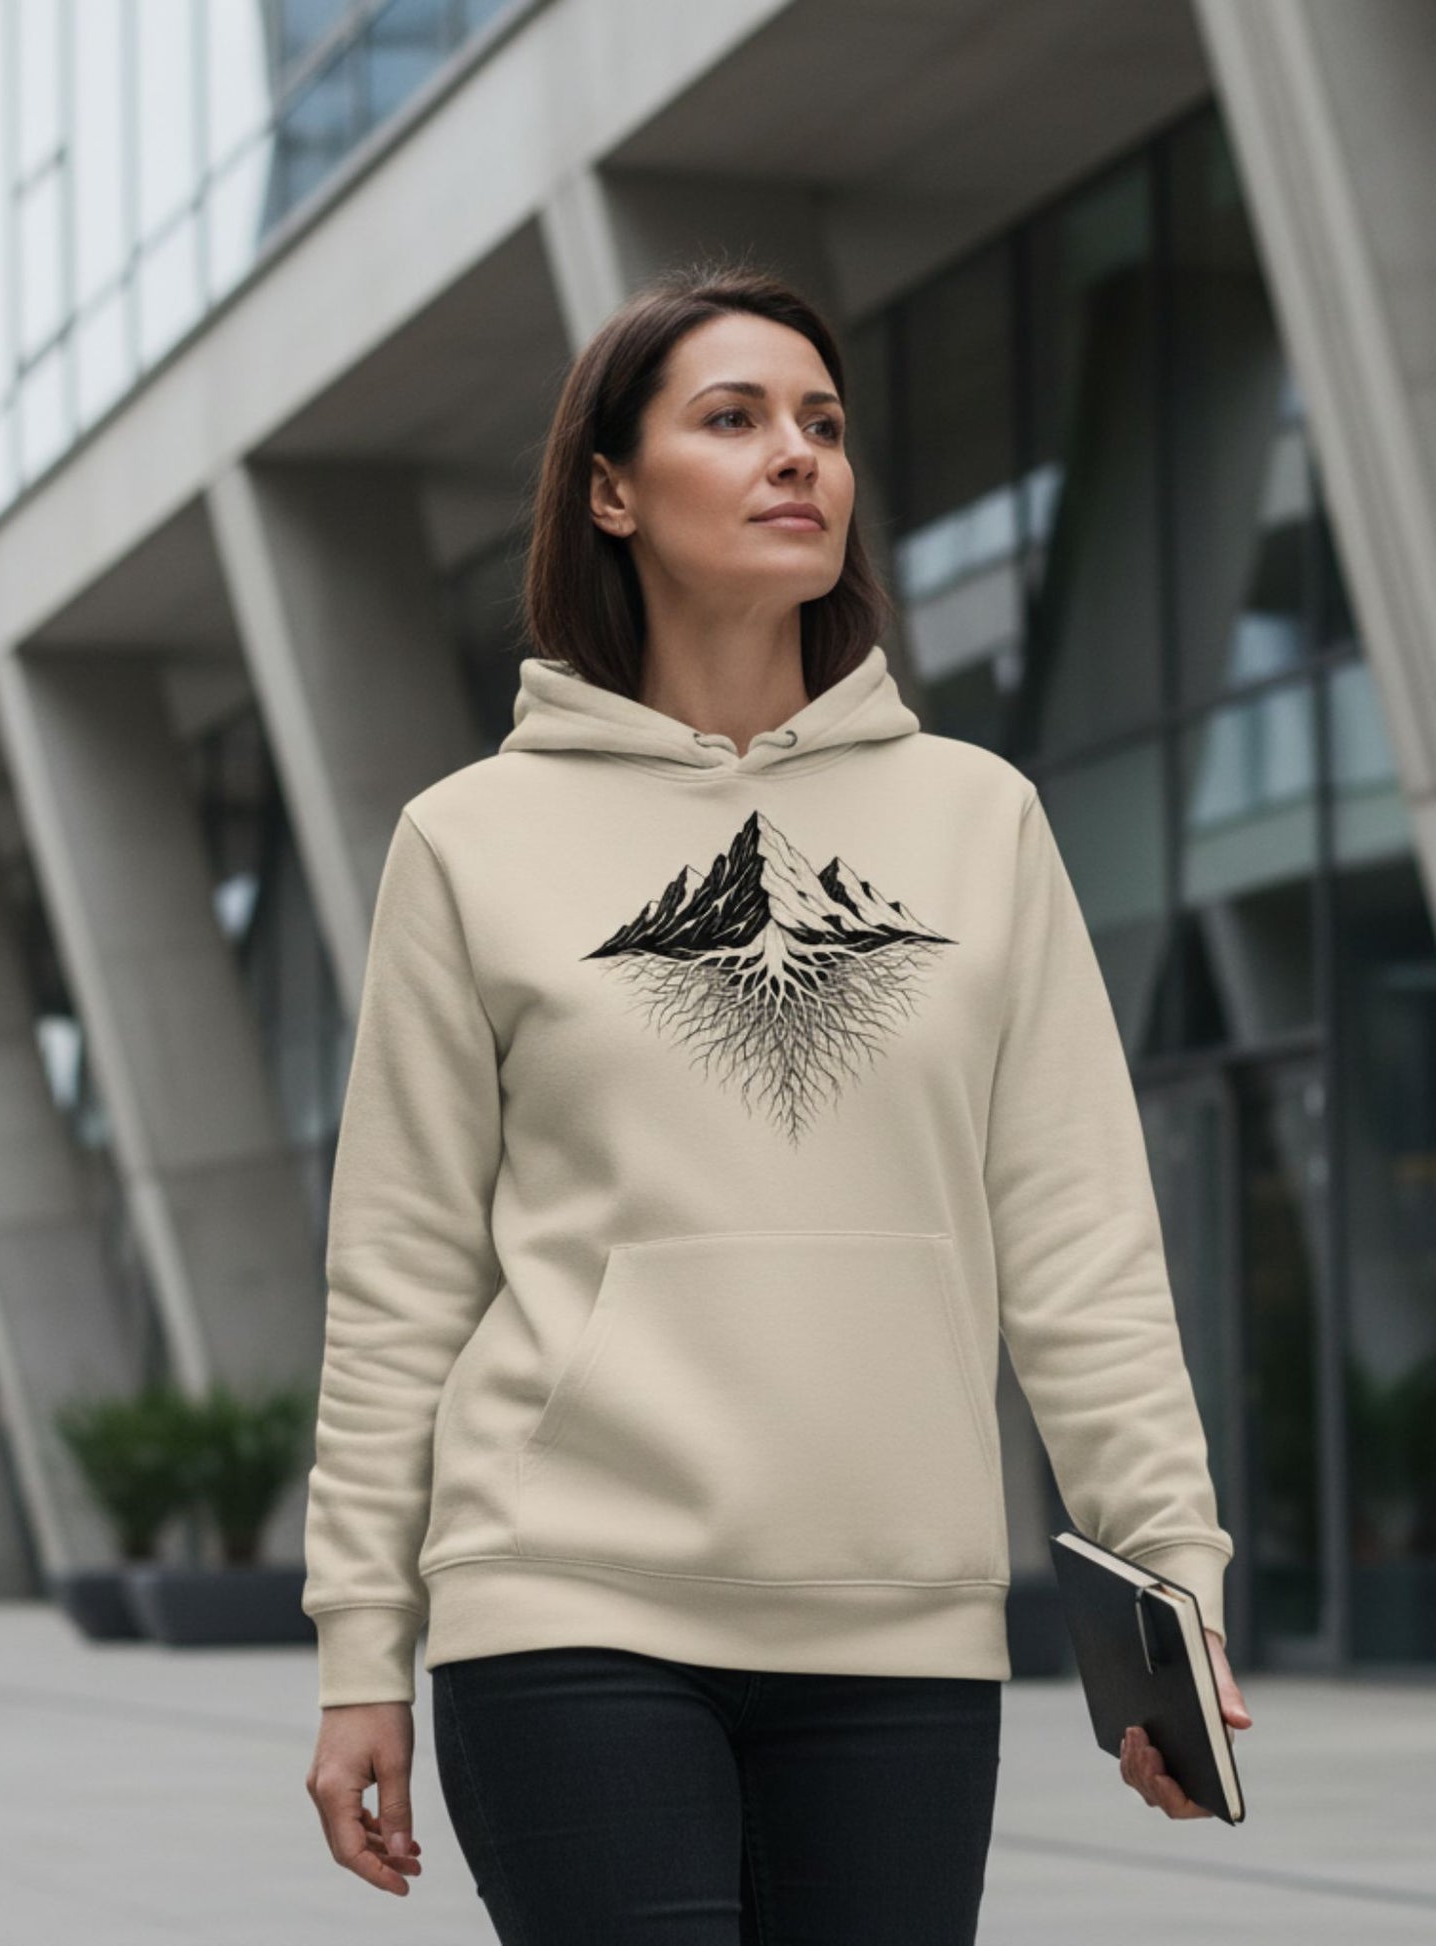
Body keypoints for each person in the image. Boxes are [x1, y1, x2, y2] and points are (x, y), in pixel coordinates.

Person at [300, 259, 1254, 1940]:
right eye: (731, 419)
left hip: (900, 1622)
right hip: (564, 1603)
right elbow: (400, 1282)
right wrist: (358, 1646)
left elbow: (1081, 1237)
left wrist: (1170, 1586)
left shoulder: (980, 819)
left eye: (821, 423)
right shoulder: (468, 838)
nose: (794, 454)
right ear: (611, 489)